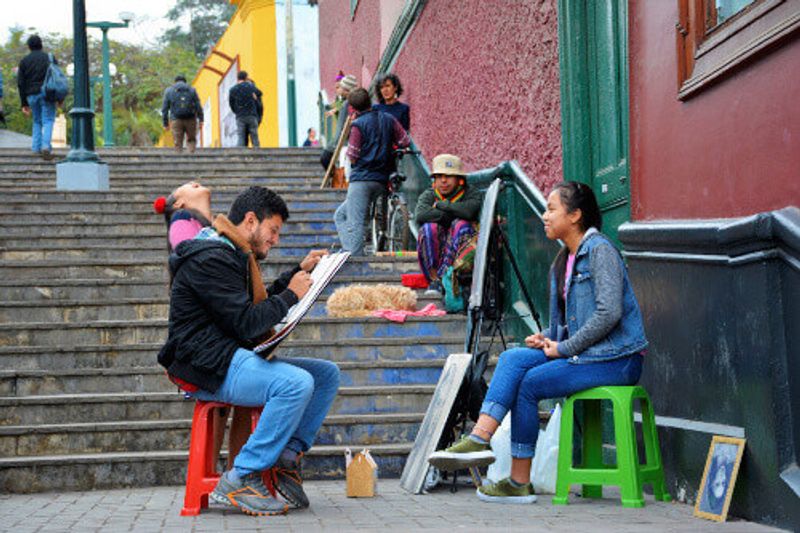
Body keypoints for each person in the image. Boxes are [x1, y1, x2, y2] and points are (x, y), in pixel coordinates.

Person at [428, 181, 647, 504]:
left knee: (529, 383)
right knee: (512, 360)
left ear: (575, 215)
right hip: (586, 354)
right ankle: (478, 439)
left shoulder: (600, 250)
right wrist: (547, 336)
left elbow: (609, 313)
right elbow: (569, 324)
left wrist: (564, 348)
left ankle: (518, 482)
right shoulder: (563, 260)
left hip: (618, 358)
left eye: (551, 209)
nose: (544, 216)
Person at [158, 185, 339, 516]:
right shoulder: (212, 256)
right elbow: (246, 323)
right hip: (205, 362)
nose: (276, 239)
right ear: (251, 220)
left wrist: (296, 276)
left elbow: (249, 305)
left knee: (325, 375)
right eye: (273, 230)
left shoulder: (232, 252)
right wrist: (291, 297)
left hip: (228, 354)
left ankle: (286, 461)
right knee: (295, 383)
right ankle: (242, 476)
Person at [334, 88, 410, 256]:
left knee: (353, 223)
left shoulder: (358, 125)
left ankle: (355, 258)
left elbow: (353, 156)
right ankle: (349, 252)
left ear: (353, 108)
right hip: (383, 179)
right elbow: (405, 140)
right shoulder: (388, 118)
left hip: (361, 180)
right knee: (340, 215)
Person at [414, 154, 482, 296]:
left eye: (449, 176)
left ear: (459, 179)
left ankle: (449, 278)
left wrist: (441, 205)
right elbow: (420, 215)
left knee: (461, 225)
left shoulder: (471, 193)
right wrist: (453, 213)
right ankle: (436, 281)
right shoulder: (429, 195)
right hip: (437, 249)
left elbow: (469, 212)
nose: (443, 181)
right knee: (429, 228)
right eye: (439, 176)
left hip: (459, 253)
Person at [17, 35, 57, 159]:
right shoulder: (49, 59)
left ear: (29, 47)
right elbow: (57, 79)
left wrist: (24, 103)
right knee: (48, 120)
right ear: (41, 45)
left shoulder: (24, 61)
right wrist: (59, 98)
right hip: (47, 93)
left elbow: (20, 83)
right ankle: (45, 146)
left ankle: (35, 148)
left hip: (31, 95)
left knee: (37, 121)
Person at [320, 73, 358, 171]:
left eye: (340, 87)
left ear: (347, 89)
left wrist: (333, 146)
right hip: (351, 141)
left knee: (325, 158)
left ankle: (334, 179)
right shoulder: (349, 102)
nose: (339, 90)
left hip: (345, 142)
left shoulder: (347, 104)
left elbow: (341, 128)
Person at [161, 75, 204, 153]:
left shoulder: (169, 91)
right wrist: (201, 119)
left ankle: (179, 160)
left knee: (178, 142)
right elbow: (198, 105)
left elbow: (165, 109)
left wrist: (165, 123)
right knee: (191, 139)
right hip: (190, 119)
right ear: (185, 81)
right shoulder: (192, 90)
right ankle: (191, 157)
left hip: (176, 120)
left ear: (175, 81)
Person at [228, 71, 264, 148]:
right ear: (246, 77)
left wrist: (237, 111)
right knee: (254, 136)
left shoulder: (233, 90)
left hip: (240, 116)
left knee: (241, 136)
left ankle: (240, 155)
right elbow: (260, 93)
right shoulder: (250, 87)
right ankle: (258, 155)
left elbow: (231, 104)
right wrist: (255, 97)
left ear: (238, 78)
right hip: (251, 115)